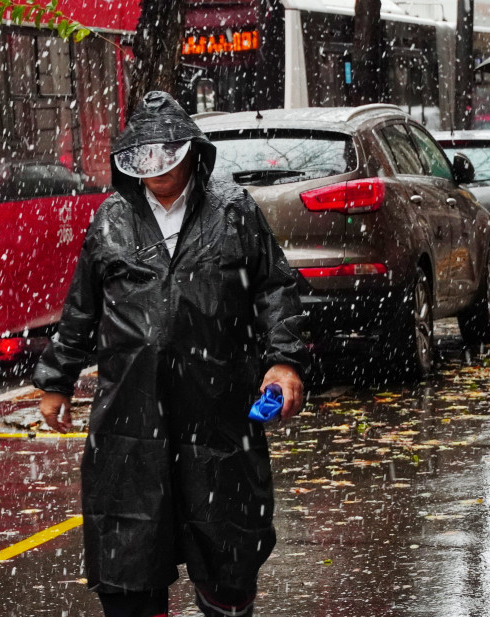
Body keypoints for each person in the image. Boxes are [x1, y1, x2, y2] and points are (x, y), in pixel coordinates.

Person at [32, 91, 308, 617]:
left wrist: (284, 360)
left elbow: (276, 289)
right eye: (145, 156)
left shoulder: (233, 211)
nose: (156, 169)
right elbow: (80, 310)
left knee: (227, 557)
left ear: (192, 153)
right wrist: (56, 380)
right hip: (130, 418)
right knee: (130, 562)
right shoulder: (111, 220)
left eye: (167, 154)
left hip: (216, 411)